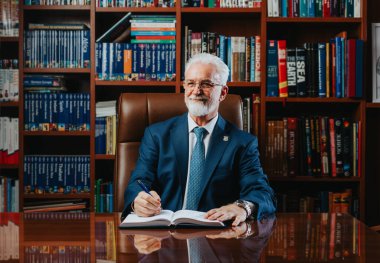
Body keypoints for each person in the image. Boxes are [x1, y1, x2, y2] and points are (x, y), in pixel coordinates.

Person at [122, 53, 276, 226]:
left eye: (206, 84)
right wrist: (138, 201)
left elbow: (262, 192)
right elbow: (139, 181)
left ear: (223, 93)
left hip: (216, 237)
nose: (196, 91)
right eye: (191, 83)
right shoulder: (157, 135)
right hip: (164, 238)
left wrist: (242, 207)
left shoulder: (242, 143)